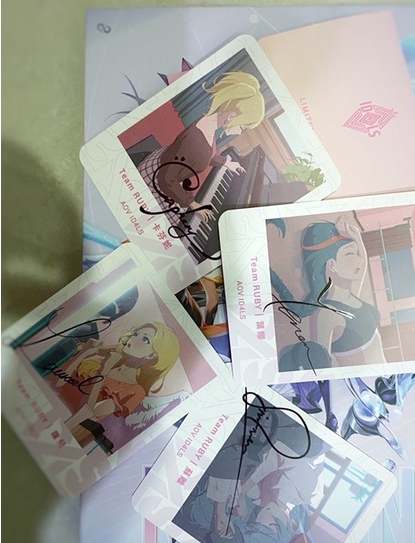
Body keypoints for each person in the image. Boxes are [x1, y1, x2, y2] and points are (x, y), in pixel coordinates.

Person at [138, 71, 265, 226]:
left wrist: (225, 163)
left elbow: (204, 153)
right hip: (157, 179)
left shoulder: (208, 123)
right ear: (232, 116)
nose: (239, 132)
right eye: (243, 127)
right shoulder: (194, 140)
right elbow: (166, 179)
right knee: (178, 224)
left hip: (166, 169)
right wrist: (193, 204)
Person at [273, 217, 385, 370]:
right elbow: (322, 367)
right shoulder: (327, 315)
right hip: (366, 382)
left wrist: (356, 237)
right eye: (350, 254)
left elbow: (362, 265)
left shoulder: (349, 296)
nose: (358, 260)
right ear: (332, 264)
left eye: (355, 252)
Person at [59, 322, 180, 451]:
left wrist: (103, 372)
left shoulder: (135, 390)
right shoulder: (101, 363)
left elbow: (86, 414)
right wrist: (85, 352)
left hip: (63, 431)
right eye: (135, 334)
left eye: (145, 339)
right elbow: (59, 382)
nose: (133, 338)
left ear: (151, 355)